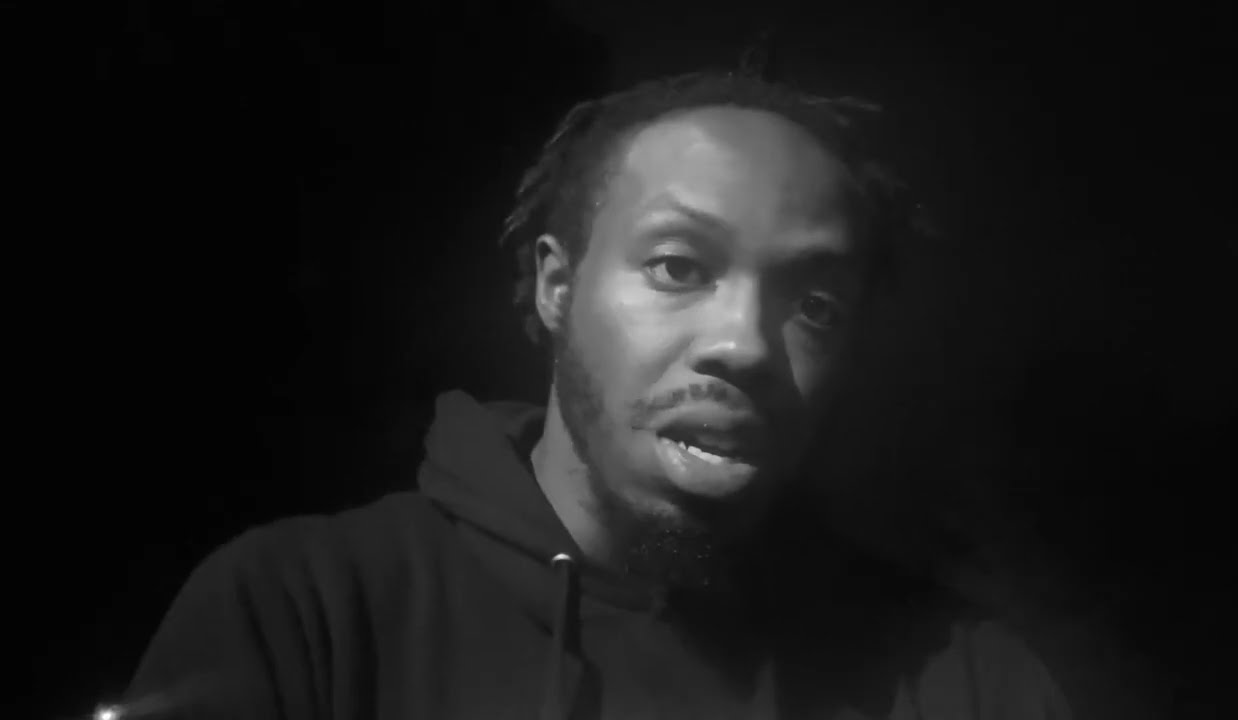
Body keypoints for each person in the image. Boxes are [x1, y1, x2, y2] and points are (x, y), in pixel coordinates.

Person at [115, 68, 1073, 720]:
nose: (745, 344)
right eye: (677, 266)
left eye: (814, 304)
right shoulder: (307, 612)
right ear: (556, 285)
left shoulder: (963, 680)